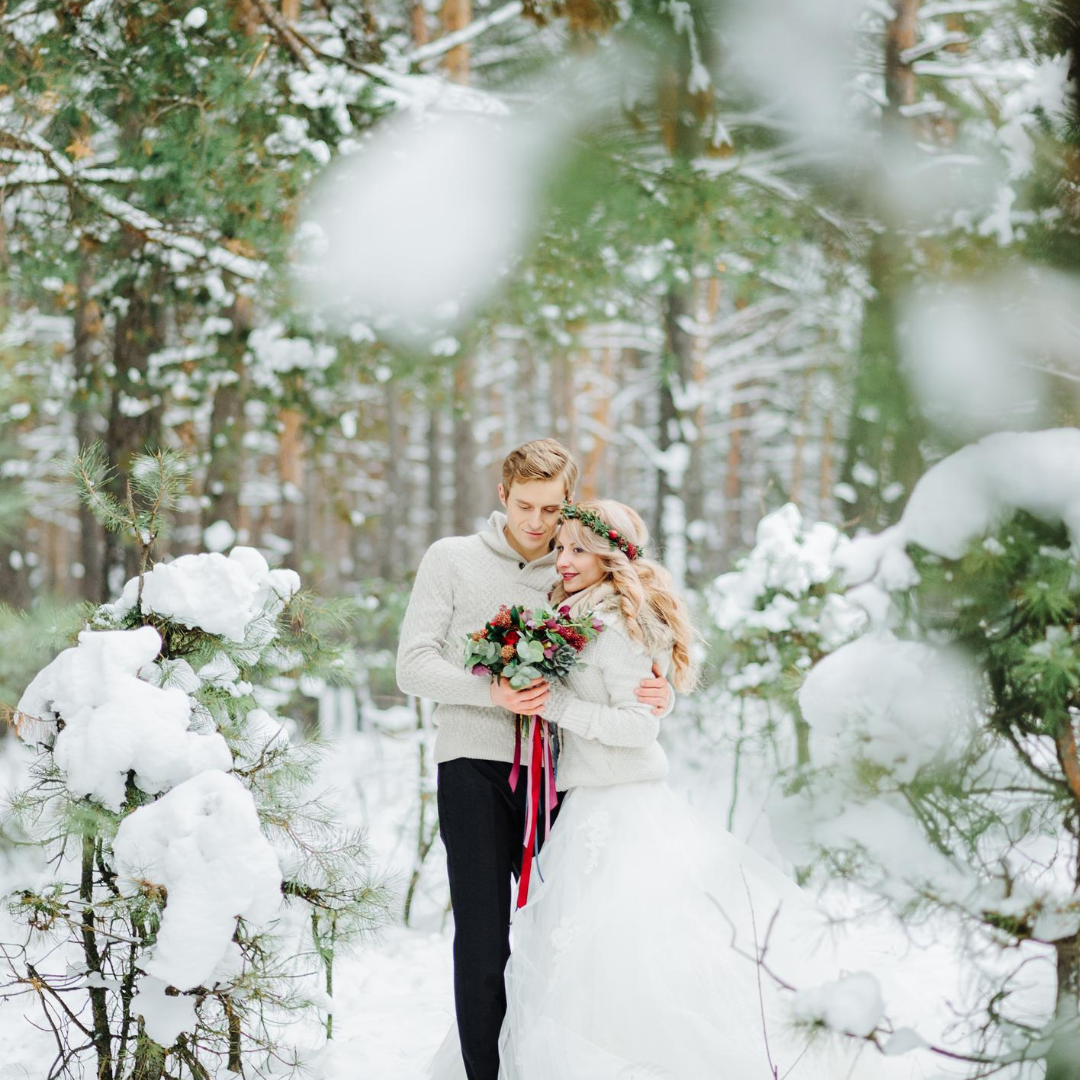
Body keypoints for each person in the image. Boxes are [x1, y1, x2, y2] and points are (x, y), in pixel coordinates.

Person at [485, 498, 922, 1080]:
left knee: (614, 954)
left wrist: (559, 705)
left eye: (578, 550)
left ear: (612, 557)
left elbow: (638, 726)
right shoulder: (579, 614)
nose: (562, 559)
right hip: (588, 802)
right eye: (560, 547)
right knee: (599, 955)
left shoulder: (613, 627)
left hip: (615, 806)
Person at [396, 441, 672, 1080]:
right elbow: (412, 665)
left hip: (563, 774)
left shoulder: (578, 566)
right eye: (525, 505)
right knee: (485, 937)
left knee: (563, 936)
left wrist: (665, 695)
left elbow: (632, 655)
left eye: (552, 509)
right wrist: (488, 691)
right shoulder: (453, 560)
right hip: (474, 764)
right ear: (503, 496)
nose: (538, 523)